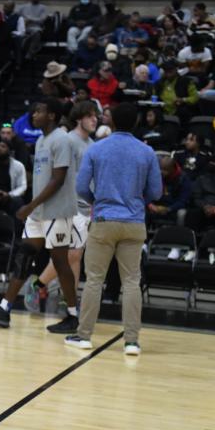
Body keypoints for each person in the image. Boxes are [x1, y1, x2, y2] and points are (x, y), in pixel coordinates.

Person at [0, 98, 81, 333]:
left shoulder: (61, 139)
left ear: (52, 115)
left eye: (39, 111)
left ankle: (73, 315)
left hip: (57, 211)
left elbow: (59, 179)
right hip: (40, 211)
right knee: (23, 255)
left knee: (61, 262)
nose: (33, 115)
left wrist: (30, 205)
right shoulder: (42, 140)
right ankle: (4, 309)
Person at [65, 102, 162, 355]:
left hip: (105, 220)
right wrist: (138, 200)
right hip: (134, 222)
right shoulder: (147, 152)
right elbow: (156, 192)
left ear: (113, 122)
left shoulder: (97, 149)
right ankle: (131, 341)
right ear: (136, 123)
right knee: (132, 281)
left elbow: (81, 187)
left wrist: (98, 201)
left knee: (94, 280)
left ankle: (84, 335)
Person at [24, 102, 98, 314]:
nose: (95, 120)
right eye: (90, 116)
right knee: (71, 255)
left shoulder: (92, 144)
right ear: (78, 118)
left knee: (75, 257)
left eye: (96, 116)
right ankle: (38, 286)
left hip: (86, 207)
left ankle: (67, 302)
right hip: (68, 205)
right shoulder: (67, 140)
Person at [147, 155, 191, 228]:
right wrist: (150, 205)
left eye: (165, 169)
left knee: (182, 213)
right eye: (160, 169)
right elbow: (146, 193)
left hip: (173, 208)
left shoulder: (183, 179)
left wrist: (168, 209)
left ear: (173, 169)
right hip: (155, 207)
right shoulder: (155, 175)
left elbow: (183, 201)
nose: (161, 172)